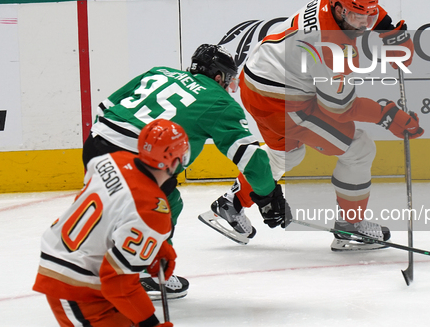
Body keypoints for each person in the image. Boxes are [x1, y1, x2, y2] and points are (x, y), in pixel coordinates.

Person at [203, 0, 424, 251]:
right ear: (340, 9)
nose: (366, 24)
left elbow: (367, 8)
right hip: (282, 101)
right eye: (359, 18)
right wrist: (386, 114)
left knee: (287, 155)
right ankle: (350, 227)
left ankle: (230, 204)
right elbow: (339, 109)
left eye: (369, 16)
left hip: (258, 79)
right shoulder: (331, 48)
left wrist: (390, 30)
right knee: (358, 148)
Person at [82, 44, 290, 299]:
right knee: (165, 206)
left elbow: (106, 106)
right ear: (218, 77)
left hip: (96, 144)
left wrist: (101, 154)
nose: (229, 86)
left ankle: (104, 258)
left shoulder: (159, 72)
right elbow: (251, 158)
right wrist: (268, 195)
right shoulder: (219, 102)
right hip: (138, 160)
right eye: (229, 80)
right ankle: (150, 274)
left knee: (131, 204)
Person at [33, 119, 189, 327]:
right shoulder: (152, 210)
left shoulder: (112, 159)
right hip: (78, 285)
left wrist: (154, 244)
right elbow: (118, 284)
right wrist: (150, 323)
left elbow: (109, 210)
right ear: (173, 160)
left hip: (69, 260)